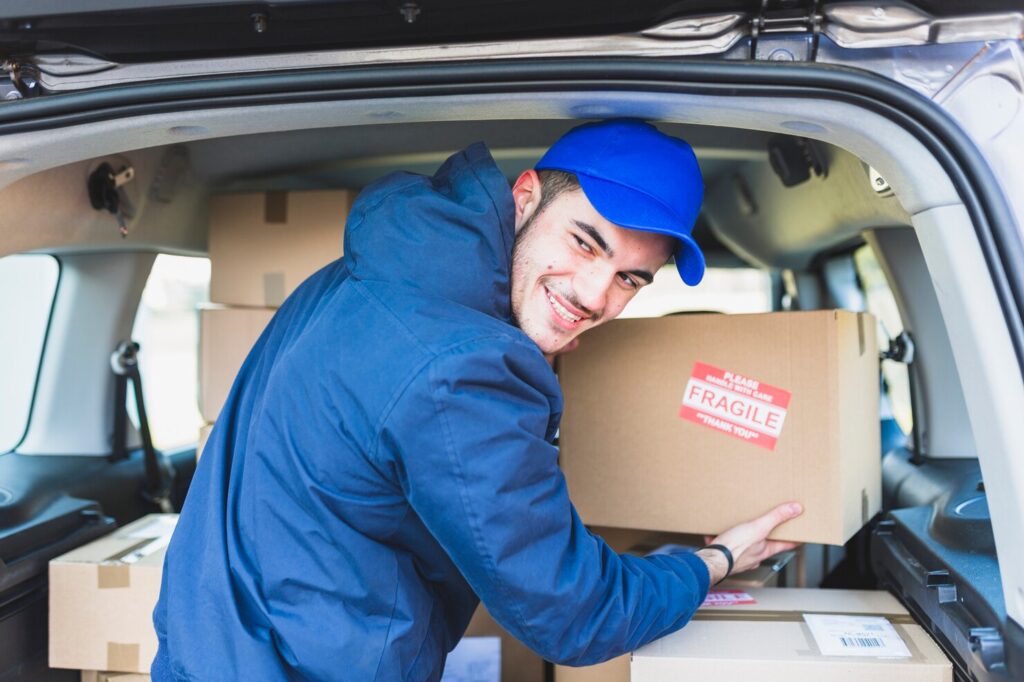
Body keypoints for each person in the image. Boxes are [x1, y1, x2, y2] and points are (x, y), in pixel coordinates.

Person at [152, 119, 801, 680]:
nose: (595, 295)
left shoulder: (384, 266)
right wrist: (712, 562)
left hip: (208, 651)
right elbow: (572, 614)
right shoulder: (464, 367)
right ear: (526, 198)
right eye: (585, 242)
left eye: (630, 278)